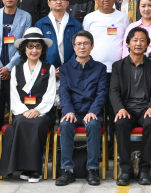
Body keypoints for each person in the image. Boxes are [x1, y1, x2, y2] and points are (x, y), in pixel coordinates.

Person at [0, 28, 58, 182]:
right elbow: (14, 96)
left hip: (44, 112)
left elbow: (50, 95)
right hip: (21, 111)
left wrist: (37, 110)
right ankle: (26, 168)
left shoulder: (49, 69)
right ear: (24, 49)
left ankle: (34, 170)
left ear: (42, 49)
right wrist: (24, 111)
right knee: (21, 121)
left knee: (36, 124)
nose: (34, 50)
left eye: (38, 46)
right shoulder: (16, 69)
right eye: (30, 46)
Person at [56, 31, 109, 186]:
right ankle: (67, 170)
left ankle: (92, 169)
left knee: (93, 125)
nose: (82, 47)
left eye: (86, 43)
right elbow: (63, 92)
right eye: (79, 44)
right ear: (74, 47)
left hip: (92, 111)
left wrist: (93, 111)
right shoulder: (65, 69)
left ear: (92, 46)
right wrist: (68, 111)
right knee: (66, 124)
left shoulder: (100, 68)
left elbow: (102, 93)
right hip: (73, 111)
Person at [111, 28, 151, 186]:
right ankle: (126, 170)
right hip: (127, 109)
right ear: (128, 43)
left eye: (142, 40)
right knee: (121, 123)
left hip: (146, 109)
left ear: (147, 45)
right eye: (135, 40)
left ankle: (144, 169)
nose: (138, 43)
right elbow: (114, 91)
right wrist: (120, 109)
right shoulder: (118, 66)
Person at [0, 0, 33, 131]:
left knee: (17, 105)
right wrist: (0, 67)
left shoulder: (26, 16)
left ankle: (16, 137)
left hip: (16, 68)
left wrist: (9, 67)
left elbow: (24, 44)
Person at [84, 0, 131, 72]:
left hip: (118, 69)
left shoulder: (123, 17)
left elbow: (128, 41)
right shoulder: (89, 18)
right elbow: (85, 41)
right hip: (94, 68)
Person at [35, 0, 83, 68]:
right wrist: (48, 67)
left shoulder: (76, 25)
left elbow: (80, 48)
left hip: (71, 68)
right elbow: (36, 48)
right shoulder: (40, 24)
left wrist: (67, 67)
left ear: (67, 3)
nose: (58, 2)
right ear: (49, 3)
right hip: (46, 69)